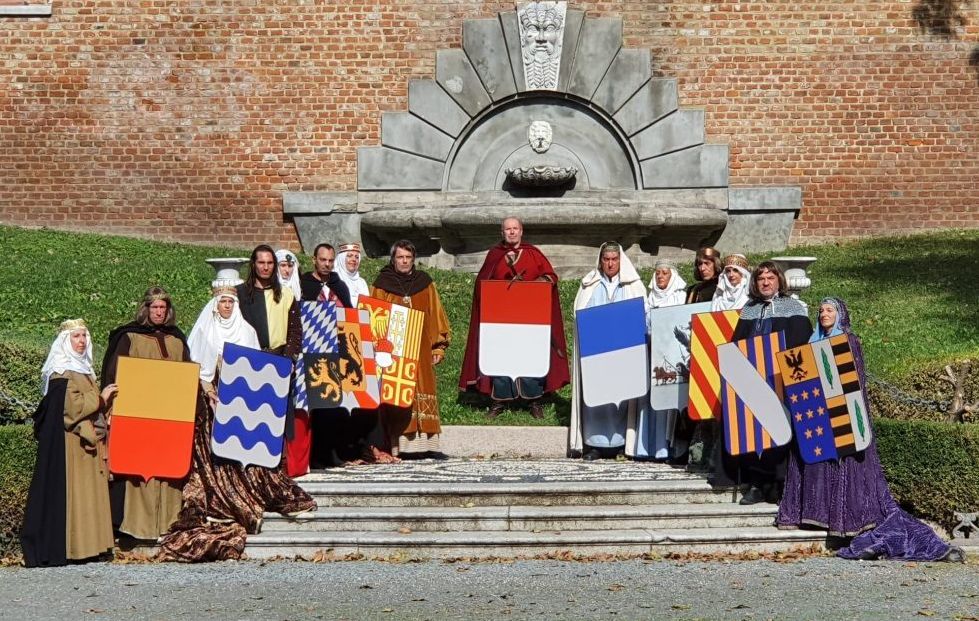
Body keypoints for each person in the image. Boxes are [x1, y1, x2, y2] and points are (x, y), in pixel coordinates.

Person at [776, 298, 964, 562]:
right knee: (815, 460)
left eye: (830, 310)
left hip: (842, 416)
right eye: (821, 311)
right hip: (819, 417)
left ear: (840, 315)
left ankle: (849, 522)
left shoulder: (848, 341)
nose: (823, 314)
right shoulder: (810, 345)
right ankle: (818, 517)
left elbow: (854, 386)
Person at [157, 283, 315, 562]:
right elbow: (195, 368)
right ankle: (217, 498)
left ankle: (248, 493)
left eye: (231, 302)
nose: (227, 306)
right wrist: (209, 390)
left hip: (240, 400)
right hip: (211, 397)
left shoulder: (247, 331)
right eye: (223, 302)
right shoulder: (204, 331)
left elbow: (256, 371)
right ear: (215, 305)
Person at [21, 319, 116, 567]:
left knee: (89, 496)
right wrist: (101, 397)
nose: (82, 341)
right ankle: (75, 548)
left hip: (88, 442)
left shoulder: (83, 370)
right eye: (76, 337)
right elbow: (71, 408)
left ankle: (93, 547)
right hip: (71, 445)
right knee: (76, 497)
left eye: (84, 336)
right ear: (65, 342)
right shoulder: (61, 372)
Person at [101, 287, 191, 540]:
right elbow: (113, 375)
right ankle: (136, 527)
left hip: (170, 418)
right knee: (138, 471)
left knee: (167, 468)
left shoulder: (177, 339)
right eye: (155, 308)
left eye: (163, 308)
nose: (159, 312)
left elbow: (185, 377)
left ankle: (168, 523)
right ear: (146, 309)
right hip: (138, 418)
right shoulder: (129, 336)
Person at [458, 217, 570, 419]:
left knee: (530, 357)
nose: (511, 232)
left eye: (515, 228)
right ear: (502, 232)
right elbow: (482, 284)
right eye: (507, 229)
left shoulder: (533, 254)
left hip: (530, 321)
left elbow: (551, 276)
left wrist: (538, 284)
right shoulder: (495, 255)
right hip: (501, 321)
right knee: (502, 357)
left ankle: (534, 400)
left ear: (521, 231)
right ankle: (500, 401)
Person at [721, 261, 813, 504]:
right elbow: (736, 345)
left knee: (781, 430)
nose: (765, 282)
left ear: (778, 281)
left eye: (770, 278)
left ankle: (778, 484)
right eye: (761, 278)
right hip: (752, 382)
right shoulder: (749, 310)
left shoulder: (793, 307)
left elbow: (800, 345)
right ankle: (757, 484)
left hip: (780, 380)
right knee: (752, 433)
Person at [370, 240, 451, 457]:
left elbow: (436, 314)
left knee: (424, 389)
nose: (404, 261)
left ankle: (428, 446)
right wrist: (381, 349)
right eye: (400, 257)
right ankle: (402, 447)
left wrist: (438, 347)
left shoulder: (424, 283)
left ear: (413, 259)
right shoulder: (382, 284)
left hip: (422, 347)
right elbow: (374, 318)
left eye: (408, 258)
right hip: (396, 350)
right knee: (400, 394)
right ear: (393, 259)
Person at [569, 242, 648, 460]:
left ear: (620, 261)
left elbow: (643, 315)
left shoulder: (633, 285)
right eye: (606, 260)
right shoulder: (589, 285)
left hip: (624, 352)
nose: (610, 264)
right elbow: (579, 315)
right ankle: (595, 445)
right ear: (601, 261)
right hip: (597, 353)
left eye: (614, 259)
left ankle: (623, 444)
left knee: (622, 399)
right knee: (598, 399)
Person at [642, 259, 687, 460]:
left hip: (673, 354)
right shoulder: (649, 299)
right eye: (658, 273)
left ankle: (667, 447)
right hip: (652, 353)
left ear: (673, 276)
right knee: (650, 401)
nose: (660, 276)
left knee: (669, 401)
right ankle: (649, 447)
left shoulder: (681, 297)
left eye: (665, 273)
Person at [236, 244, 301, 355]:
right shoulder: (239, 293)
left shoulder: (286, 294)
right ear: (253, 264)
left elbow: (295, 330)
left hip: (278, 357)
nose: (266, 267)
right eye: (261, 263)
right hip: (247, 356)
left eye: (270, 263)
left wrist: (288, 358)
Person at [299, 242, 352, 308]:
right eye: (323, 260)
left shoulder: (340, 286)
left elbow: (349, 311)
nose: (327, 264)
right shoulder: (303, 284)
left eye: (330, 260)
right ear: (314, 260)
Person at [336, 242, 370, 308]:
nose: (354, 259)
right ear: (341, 259)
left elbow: (367, 305)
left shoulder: (362, 282)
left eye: (357, 257)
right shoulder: (333, 279)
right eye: (349, 256)